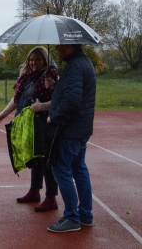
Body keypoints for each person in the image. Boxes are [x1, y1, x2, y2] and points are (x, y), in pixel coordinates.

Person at [0, 46, 59, 211]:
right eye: (31, 59)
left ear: (45, 60)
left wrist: (52, 86)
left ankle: (51, 198)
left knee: (46, 160)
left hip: (42, 123)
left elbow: (59, 98)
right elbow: (17, 99)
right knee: (34, 158)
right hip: (26, 124)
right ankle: (34, 191)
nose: (34, 62)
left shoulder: (51, 76)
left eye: (38, 59)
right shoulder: (26, 77)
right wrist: (3, 114)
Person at [47, 44, 95, 233]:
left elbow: (73, 101)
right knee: (79, 169)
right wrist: (56, 86)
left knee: (61, 170)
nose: (57, 47)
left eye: (60, 44)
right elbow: (73, 93)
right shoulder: (82, 62)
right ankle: (84, 214)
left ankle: (71, 218)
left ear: (69, 45)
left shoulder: (75, 65)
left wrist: (54, 116)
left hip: (71, 130)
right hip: (80, 128)